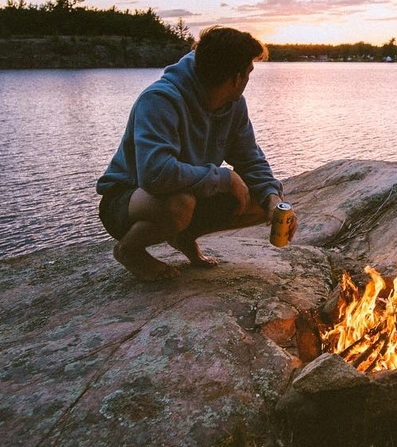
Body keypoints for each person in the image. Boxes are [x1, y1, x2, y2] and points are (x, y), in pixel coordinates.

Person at [96, 26, 292, 281]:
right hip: (127, 200)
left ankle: (183, 236)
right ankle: (129, 251)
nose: (248, 80)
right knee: (180, 204)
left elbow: (249, 157)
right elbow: (155, 174)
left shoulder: (233, 105)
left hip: (185, 190)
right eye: (248, 73)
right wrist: (224, 178)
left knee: (258, 203)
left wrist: (273, 198)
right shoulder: (159, 99)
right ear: (235, 78)